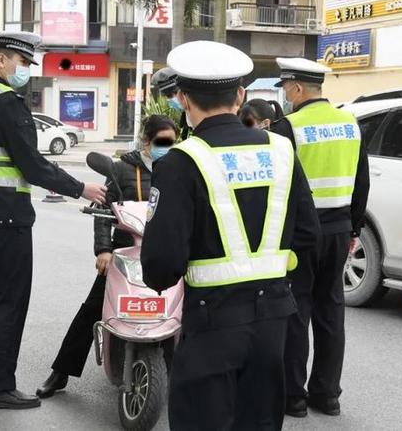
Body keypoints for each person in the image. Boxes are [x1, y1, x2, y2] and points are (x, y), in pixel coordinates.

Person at [141, 41, 320, 431]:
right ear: (240, 96)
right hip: (274, 322)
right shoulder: (282, 150)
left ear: (184, 100)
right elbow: (308, 234)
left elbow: (161, 264)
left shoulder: (180, 162)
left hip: (212, 324)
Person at [0, 31, 107, 410]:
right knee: (7, 301)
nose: (25, 71)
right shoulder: (5, 102)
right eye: (21, 63)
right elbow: (31, 165)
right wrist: (79, 188)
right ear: (1, 61)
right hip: (6, 218)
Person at [35, 115, 178, 398]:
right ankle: (61, 372)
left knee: (185, 309)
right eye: (162, 142)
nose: (167, 148)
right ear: (146, 140)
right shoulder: (122, 170)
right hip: (125, 252)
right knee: (92, 309)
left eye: (172, 143)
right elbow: (102, 208)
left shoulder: (177, 169)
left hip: (165, 253)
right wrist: (103, 250)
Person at [273, 57, 370, 418]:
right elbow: (362, 182)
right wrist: (354, 229)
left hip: (300, 235)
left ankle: (293, 397)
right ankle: (327, 395)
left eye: (285, 88)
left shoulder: (289, 127)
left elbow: (280, 188)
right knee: (331, 311)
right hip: (339, 230)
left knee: (295, 311)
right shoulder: (350, 123)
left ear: (297, 88)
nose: (285, 94)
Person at [152, 66, 191, 139]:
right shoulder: (184, 119)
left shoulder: (200, 114)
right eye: (169, 96)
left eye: (176, 93)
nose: (175, 98)